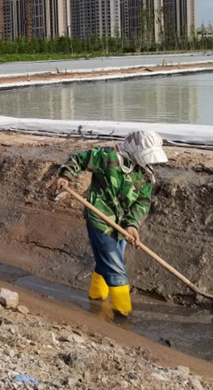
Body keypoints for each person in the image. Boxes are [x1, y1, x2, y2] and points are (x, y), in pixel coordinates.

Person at [55, 130, 168, 316]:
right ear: (134, 149)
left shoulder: (146, 174)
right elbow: (78, 159)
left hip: (122, 225)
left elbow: (142, 202)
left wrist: (132, 224)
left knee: (108, 260)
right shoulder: (107, 158)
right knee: (115, 266)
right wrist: (65, 176)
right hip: (100, 219)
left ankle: (97, 295)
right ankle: (123, 312)